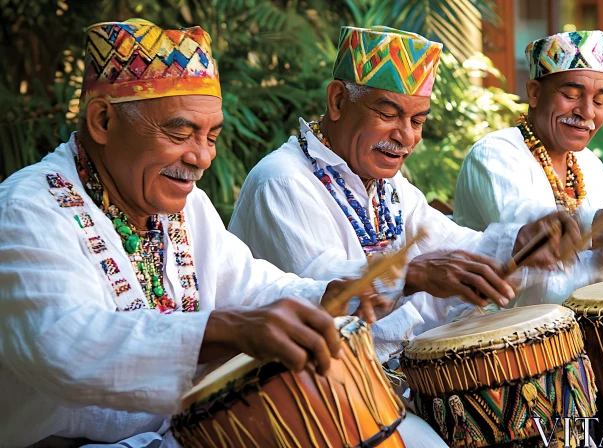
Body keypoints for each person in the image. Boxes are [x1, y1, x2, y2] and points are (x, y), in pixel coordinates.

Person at [0, 19, 383, 447]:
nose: (201, 158)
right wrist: (225, 330)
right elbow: (65, 346)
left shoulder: (187, 205)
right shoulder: (26, 209)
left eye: (211, 136)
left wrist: (329, 295)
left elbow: (252, 286)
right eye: (180, 133)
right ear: (104, 120)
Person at [229, 26, 580, 368]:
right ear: (337, 101)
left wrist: (522, 242)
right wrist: (410, 275)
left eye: (417, 120)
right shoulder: (281, 181)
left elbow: (454, 247)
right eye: (388, 114)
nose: (406, 136)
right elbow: (321, 285)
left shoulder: (391, 188)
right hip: (315, 400)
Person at [454, 30, 603, 305]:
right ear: (535, 93)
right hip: (507, 341)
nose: (587, 112)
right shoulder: (494, 154)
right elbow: (531, 234)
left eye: (599, 101)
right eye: (572, 95)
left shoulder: (589, 164)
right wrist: (598, 228)